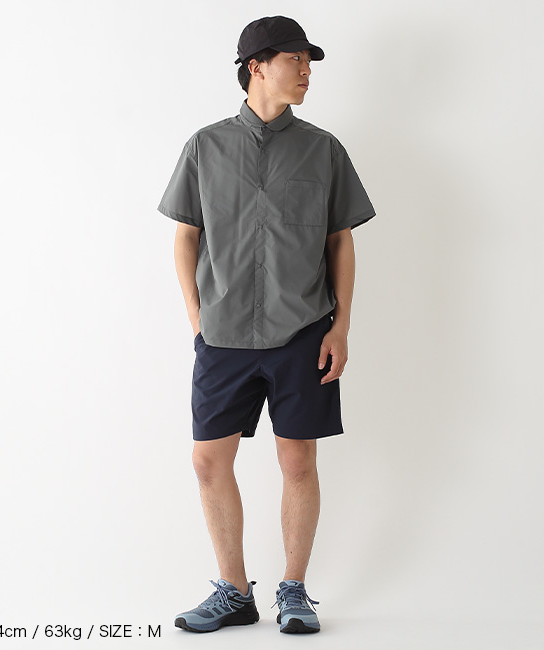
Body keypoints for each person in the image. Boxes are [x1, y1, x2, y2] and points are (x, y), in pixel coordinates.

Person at [156, 15, 377, 634]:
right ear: (256, 66)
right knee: (208, 461)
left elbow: (340, 240)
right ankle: (233, 592)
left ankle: (294, 590)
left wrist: (341, 326)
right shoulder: (205, 146)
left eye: (309, 62)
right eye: (295, 60)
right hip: (223, 334)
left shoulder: (324, 150)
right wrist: (197, 317)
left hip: (302, 330)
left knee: (298, 461)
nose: (307, 72)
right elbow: (186, 236)